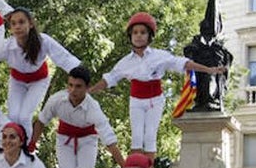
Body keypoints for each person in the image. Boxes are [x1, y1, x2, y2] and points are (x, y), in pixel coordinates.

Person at [89, 11, 225, 159]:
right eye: (135, 32)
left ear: (149, 36)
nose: (139, 35)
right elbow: (109, 79)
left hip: (155, 100)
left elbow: (183, 63)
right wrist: (89, 91)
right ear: (130, 36)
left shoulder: (159, 56)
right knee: (136, 137)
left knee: (150, 136)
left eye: (143, 32)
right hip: (136, 100)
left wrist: (208, 69)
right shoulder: (125, 63)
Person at [0, 7, 81, 137]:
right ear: (10, 28)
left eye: (21, 22)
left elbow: (65, 59)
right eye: (13, 24)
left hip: (39, 81)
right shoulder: (7, 45)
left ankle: (28, 150)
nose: (17, 26)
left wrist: (81, 78)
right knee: (13, 116)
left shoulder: (43, 41)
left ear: (31, 24)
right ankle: (15, 147)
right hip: (17, 81)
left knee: (23, 117)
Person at [31, 66, 125, 168]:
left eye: (78, 86)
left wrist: (125, 167)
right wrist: (31, 145)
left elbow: (109, 140)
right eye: (70, 85)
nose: (73, 90)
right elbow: (41, 121)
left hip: (88, 140)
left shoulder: (93, 108)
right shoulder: (56, 100)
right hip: (64, 139)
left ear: (87, 88)